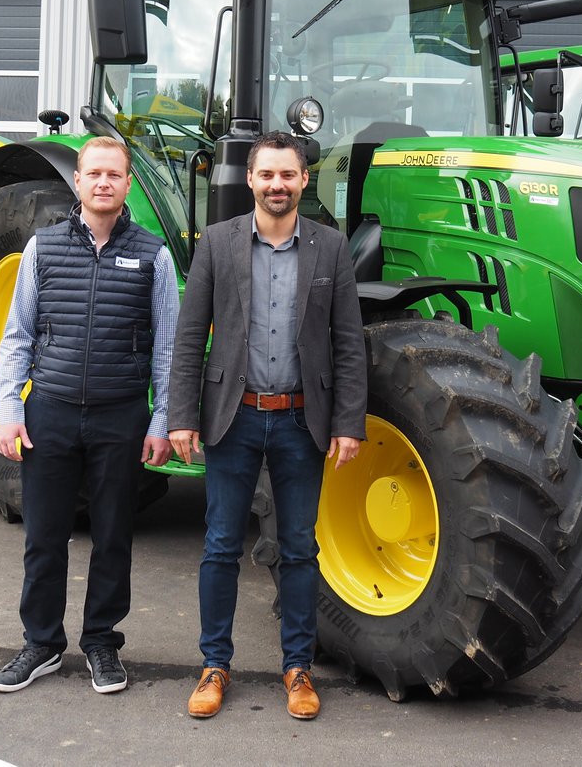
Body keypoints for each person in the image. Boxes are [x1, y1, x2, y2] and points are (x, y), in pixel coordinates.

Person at [169, 130, 367, 721]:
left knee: (300, 549)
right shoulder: (218, 244)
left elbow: (348, 344)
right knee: (221, 546)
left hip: (301, 421)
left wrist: (348, 422)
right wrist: (182, 415)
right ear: (250, 180)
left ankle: (298, 670)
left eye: (288, 175)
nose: (277, 185)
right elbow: (190, 334)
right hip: (234, 417)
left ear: (305, 180)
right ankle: (213, 666)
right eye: (267, 175)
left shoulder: (331, 249)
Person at [0, 135, 177, 695]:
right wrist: (7, 410)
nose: (102, 183)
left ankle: (101, 642)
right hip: (49, 412)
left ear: (128, 185)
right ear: (78, 181)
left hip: (121, 417)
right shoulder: (42, 250)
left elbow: (166, 350)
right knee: (44, 536)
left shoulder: (154, 256)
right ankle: (41, 643)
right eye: (93, 173)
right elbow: (17, 336)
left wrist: (161, 420)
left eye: (113, 175)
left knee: (114, 536)